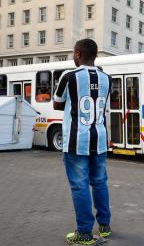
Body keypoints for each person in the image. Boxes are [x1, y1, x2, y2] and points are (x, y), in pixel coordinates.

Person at [53, 39, 112, 245]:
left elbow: (57, 104)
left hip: (76, 141)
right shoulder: (107, 78)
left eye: (73, 53)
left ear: (78, 54)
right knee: (100, 182)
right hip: (100, 139)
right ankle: (104, 227)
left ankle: (84, 234)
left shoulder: (68, 76)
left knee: (79, 186)